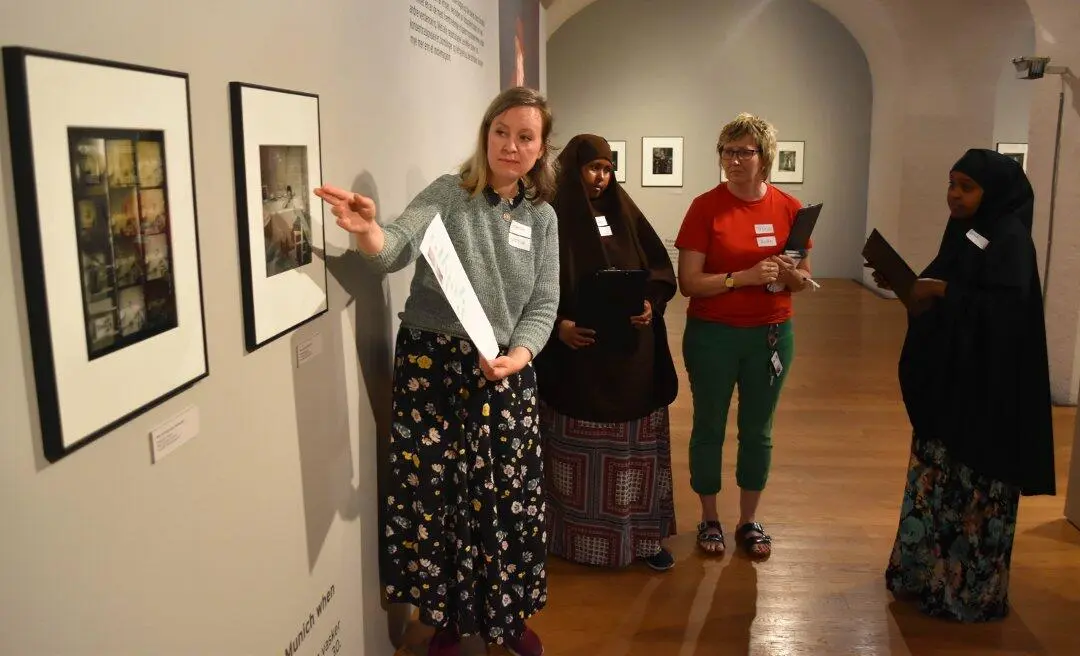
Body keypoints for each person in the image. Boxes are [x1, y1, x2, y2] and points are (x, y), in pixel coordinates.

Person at [314, 86, 560, 656]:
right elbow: (394, 247)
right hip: (434, 368)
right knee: (439, 499)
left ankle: (507, 619)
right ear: (486, 133)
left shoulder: (542, 218)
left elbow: (544, 303)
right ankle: (449, 619)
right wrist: (367, 229)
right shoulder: (450, 194)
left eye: (525, 137)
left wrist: (519, 355)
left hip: (503, 369)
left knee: (505, 499)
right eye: (502, 131)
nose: (511, 145)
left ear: (541, 148)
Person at [872, 148, 1056, 622]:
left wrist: (941, 291)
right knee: (936, 484)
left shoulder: (1011, 238)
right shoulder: (966, 231)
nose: (954, 195)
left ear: (991, 192)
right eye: (951, 183)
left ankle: (964, 592)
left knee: (971, 494)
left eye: (966, 187)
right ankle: (923, 575)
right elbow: (946, 290)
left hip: (987, 398)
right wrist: (909, 286)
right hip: (951, 387)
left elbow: (1007, 317)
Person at [533, 134, 679, 572]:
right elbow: (528, 282)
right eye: (594, 167)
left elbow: (657, 266)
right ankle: (573, 540)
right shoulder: (548, 214)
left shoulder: (623, 208)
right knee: (574, 450)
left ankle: (643, 537)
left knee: (634, 453)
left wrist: (651, 304)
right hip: (578, 361)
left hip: (631, 359)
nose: (602, 177)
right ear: (573, 167)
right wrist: (558, 327)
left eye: (608, 168)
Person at [673, 112, 813, 559]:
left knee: (758, 430)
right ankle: (709, 517)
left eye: (743, 151)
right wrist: (744, 277)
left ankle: (749, 520)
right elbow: (690, 283)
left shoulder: (790, 209)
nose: (733, 160)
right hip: (713, 335)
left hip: (771, 336)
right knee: (709, 425)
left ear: (764, 157)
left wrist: (791, 276)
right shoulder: (705, 207)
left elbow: (802, 278)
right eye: (727, 151)